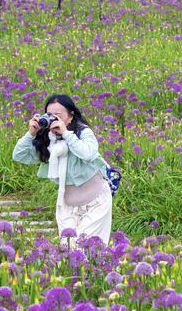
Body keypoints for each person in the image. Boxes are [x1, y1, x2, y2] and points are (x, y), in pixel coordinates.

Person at [13, 94, 112, 245]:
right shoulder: (47, 139)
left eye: (58, 115)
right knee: (67, 248)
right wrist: (31, 134)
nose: (53, 119)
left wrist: (66, 134)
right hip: (67, 204)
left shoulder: (82, 132)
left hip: (96, 201)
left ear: (71, 116)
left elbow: (88, 153)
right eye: (49, 115)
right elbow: (19, 156)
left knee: (87, 246)